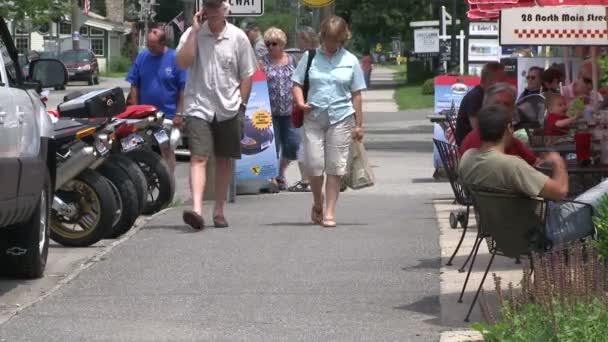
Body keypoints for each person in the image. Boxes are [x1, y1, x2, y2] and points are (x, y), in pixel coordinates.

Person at [175, 0, 257, 230]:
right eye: (208, 7)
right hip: (198, 106)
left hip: (228, 107)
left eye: (216, 7)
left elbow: (247, 75)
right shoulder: (193, 33)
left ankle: (219, 210)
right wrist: (194, 32)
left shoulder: (238, 37)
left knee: (224, 159)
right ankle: (197, 209)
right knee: (198, 157)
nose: (211, 11)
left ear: (225, 10)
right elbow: (182, 63)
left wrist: (241, 105)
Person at [292, 16, 366, 228]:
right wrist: (300, 102)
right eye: (328, 39)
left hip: (341, 118)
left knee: (335, 167)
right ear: (322, 36)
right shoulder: (310, 57)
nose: (331, 44)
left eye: (336, 40)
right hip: (313, 117)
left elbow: (357, 94)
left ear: (343, 38)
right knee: (314, 166)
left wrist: (359, 124)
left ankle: (330, 212)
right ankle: (318, 201)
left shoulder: (351, 60)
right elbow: (296, 83)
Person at [459, 105, 569, 202]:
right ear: (508, 128)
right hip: (536, 222)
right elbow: (560, 191)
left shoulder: (467, 158)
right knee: (586, 199)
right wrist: (558, 161)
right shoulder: (512, 165)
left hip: (489, 222)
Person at [126, 27, 187, 174]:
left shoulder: (175, 59)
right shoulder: (142, 57)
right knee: (135, 148)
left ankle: (168, 182)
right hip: (144, 118)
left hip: (164, 118)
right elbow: (134, 84)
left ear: (163, 43)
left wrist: (179, 113)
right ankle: (141, 181)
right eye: (148, 44)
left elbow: (183, 90)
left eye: (153, 46)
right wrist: (134, 110)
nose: (149, 48)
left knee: (165, 149)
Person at [459, 83, 538, 166]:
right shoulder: (477, 139)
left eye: (506, 104)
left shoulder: (508, 137)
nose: (501, 109)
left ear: (513, 110)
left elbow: (534, 162)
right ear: (486, 107)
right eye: (497, 104)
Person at [261, 27, 300, 191]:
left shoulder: (292, 60)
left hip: (290, 111)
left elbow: (299, 82)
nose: (270, 47)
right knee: (272, 147)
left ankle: (281, 171)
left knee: (293, 145)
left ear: (282, 44)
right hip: (269, 112)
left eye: (274, 43)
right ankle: (274, 178)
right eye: (267, 44)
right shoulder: (262, 61)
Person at [287, 26, 321, 193]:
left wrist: (299, 102)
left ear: (305, 39)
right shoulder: (315, 55)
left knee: (304, 145)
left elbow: (297, 83)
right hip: (312, 104)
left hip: (307, 106)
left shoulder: (306, 56)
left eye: (299, 38)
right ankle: (310, 178)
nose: (297, 42)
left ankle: (306, 179)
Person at [455, 62, 506, 146]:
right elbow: (477, 128)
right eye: (502, 79)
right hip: (470, 146)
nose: (505, 82)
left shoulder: (486, 95)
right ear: (491, 79)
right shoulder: (475, 96)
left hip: (481, 143)